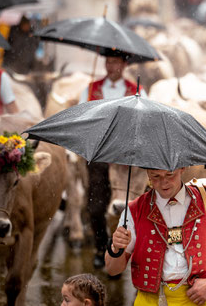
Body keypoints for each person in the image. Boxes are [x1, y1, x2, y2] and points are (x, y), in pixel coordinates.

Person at [105, 168, 206, 305]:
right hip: (150, 301)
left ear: (182, 169)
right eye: (156, 176)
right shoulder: (133, 211)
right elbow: (113, 269)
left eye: (169, 175)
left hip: (198, 300)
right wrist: (116, 248)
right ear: (148, 174)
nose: (164, 183)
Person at [79, 55, 147, 269]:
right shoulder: (91, 89)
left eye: (116, 62)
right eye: (108, 62)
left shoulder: (137, 89)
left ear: (124, 65)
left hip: (126, 159)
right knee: (96, 206)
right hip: (99, 156)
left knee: (125, 206)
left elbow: (145, 120)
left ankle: (118, 250)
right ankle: (100, 247)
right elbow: (81, 117)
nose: (112, 67)